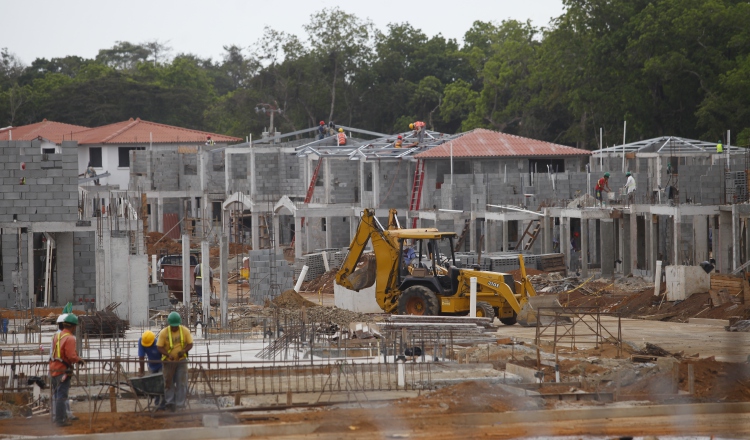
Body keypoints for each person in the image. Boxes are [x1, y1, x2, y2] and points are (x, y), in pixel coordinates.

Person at [49, 314, 84, 426]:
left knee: (56, 394)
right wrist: (79, 360)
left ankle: (58, 417)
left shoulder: (56, 336)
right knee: (62, 395)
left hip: (53, 369)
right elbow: (71, 356)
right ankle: (60, 420)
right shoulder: (70, 338)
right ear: (73, 327)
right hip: (62, 370)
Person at [157, 312, 193, 412]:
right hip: (168, 362)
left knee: (181, 383)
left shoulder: (185, 331)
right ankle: (170, 404)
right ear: (169, 324)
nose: (174, 328)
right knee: (169, 383)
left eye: (176, 326)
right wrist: (168, 355)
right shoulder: (164, 333)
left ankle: (180, 405)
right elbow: (159, 347)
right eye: (172, 326)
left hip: (181, 361)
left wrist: (184, 351)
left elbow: (190, 344)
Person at [138, 330, 164, 407]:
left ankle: (163, 404)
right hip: (152, 365)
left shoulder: (158, 343)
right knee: (154, 385)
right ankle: (157, 404)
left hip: (161, 365)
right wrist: (141, 371)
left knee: (161, 384)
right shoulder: (141, 341)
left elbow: (164, 356)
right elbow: (141, 357)